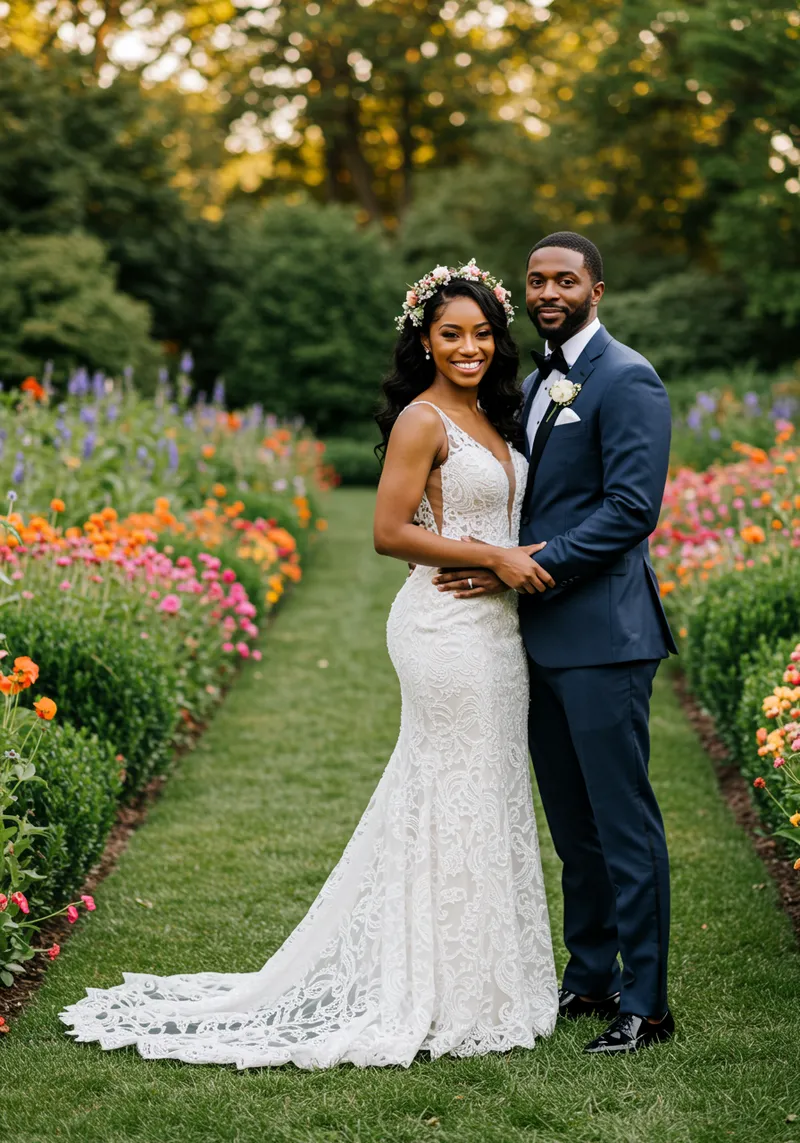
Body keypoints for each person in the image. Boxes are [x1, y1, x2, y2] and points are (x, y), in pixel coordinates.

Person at [60, 261, 559, 1068]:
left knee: (488, 787)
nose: (468, 347)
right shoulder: (423, 420)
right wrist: (489, 555)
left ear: (498, 339)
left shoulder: (495, 415)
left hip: (498, 631)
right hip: (443, 628)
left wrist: (511, 557)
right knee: (450, 786)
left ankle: (487, 982)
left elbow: (508, 515)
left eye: (480, 334)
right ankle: (439, 986)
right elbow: (389, 530)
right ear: (424, 341)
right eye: (449, 334)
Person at [434, 233, 677, 1054]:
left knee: (623, 824)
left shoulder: (628, 378)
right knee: (574, 826)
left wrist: (519, 568)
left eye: (564, 279)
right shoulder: (538, 383)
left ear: (596, 289)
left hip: (605, 634)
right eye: (536, 279)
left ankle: (646, 1002)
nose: (548, 291)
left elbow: (630, 509)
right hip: (537, 640)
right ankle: (590, 975)